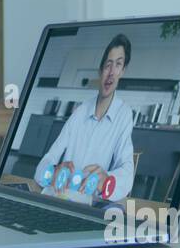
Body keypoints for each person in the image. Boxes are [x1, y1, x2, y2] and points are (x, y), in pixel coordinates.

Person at [32, 34, 135, 202]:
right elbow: (44, 164)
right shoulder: (80, 112)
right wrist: (52, 172)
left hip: (89, 206)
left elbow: (128, 173)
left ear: (123, 71)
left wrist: (106, 179)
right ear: (100, 70)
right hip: (60, 199)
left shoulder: (123, 114)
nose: (111, 73)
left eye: (118, 65)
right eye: (108, 65)